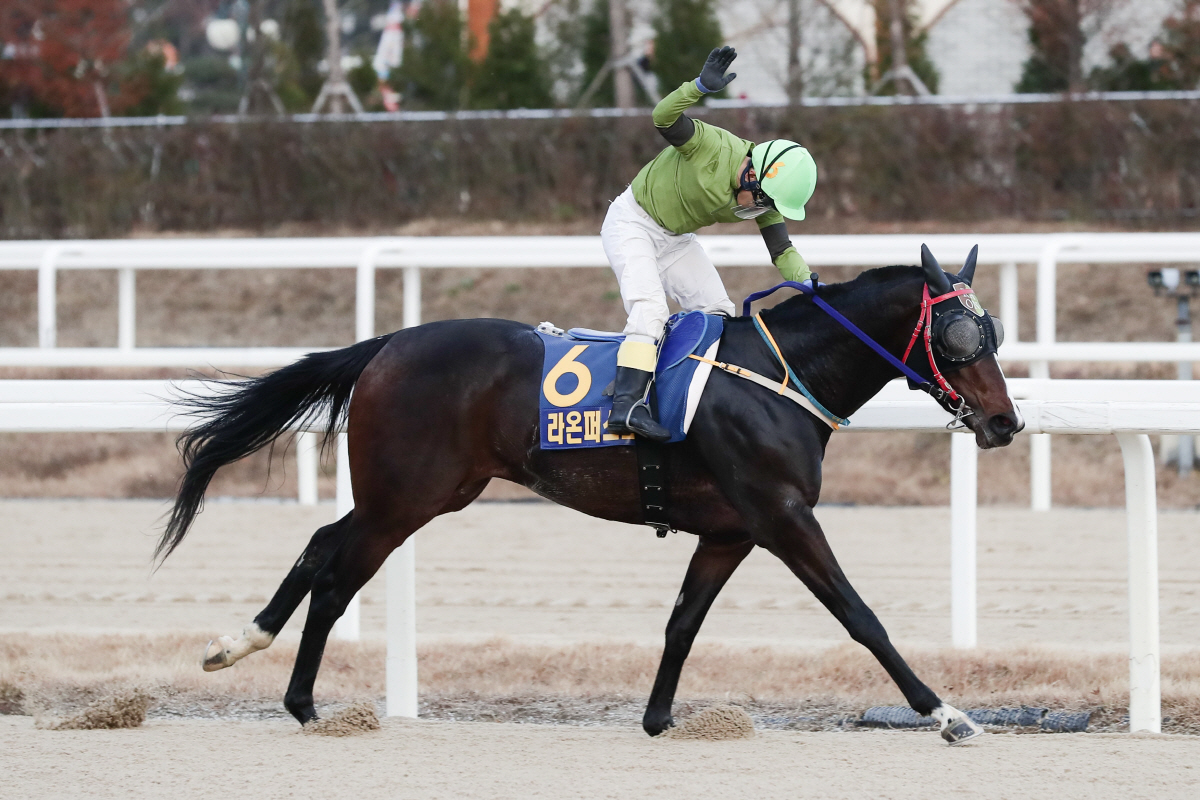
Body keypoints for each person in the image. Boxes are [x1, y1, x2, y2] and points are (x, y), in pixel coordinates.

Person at [602, 46, 817, 442]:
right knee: (649, 309)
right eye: (766, 201)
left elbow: (782, 251)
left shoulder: (761, 192)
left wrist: (809, 284)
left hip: (675, 240)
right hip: (631, 222)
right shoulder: (710, 146)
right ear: (753, 174)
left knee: (717, 312)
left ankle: (687, 396)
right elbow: (662, 117)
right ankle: (626, 406)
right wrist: (698, 87)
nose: (766, 212)